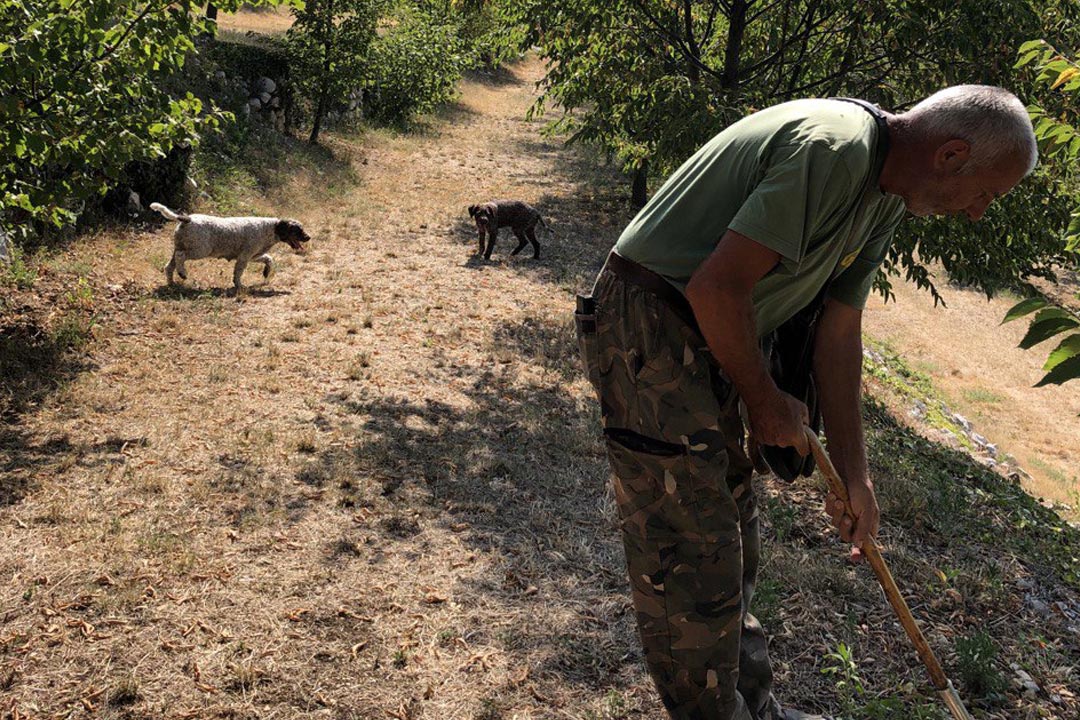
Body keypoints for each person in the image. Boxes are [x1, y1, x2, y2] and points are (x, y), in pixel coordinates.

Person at [575, 86, 1037, 720]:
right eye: (987, 192)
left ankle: (754, 710)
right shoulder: (835, 149)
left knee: (731, 529)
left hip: (713, 331)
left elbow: (839, 333)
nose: (980, 212)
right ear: (951, 155)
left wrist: (856, 476)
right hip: (654, 325)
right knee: (689, 548)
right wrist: (764, 401)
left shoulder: (885, 195)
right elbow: (716, 286)